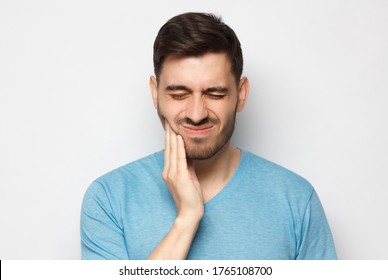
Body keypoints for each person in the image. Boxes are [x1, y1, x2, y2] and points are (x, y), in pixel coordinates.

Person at [80, 12, 337, 260]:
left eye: (215, 94)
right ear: (154, 93)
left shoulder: (296, 199)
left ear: (242, 94)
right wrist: (187, 218)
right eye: (179, 94)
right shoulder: (109, 198)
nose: (196, 114)